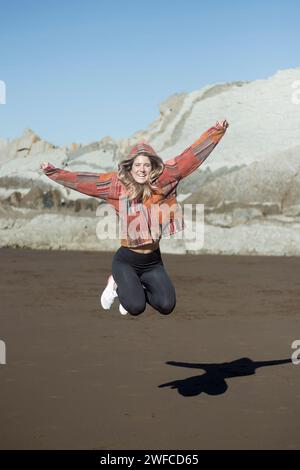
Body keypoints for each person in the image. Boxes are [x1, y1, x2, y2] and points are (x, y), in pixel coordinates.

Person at [40, 119, 229, 316]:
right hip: (126, 261)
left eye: (146, 165)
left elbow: (190, 157)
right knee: (135, 307)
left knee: (166, 305)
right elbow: (84, 182)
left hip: (153, 261)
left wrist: (217, 131)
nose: (141, 169)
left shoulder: (165, 180)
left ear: (153, 167)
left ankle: (135, 291)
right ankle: (116, 283)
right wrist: (53, 172)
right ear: (130, 167)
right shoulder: (116, 186)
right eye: (137, 165)